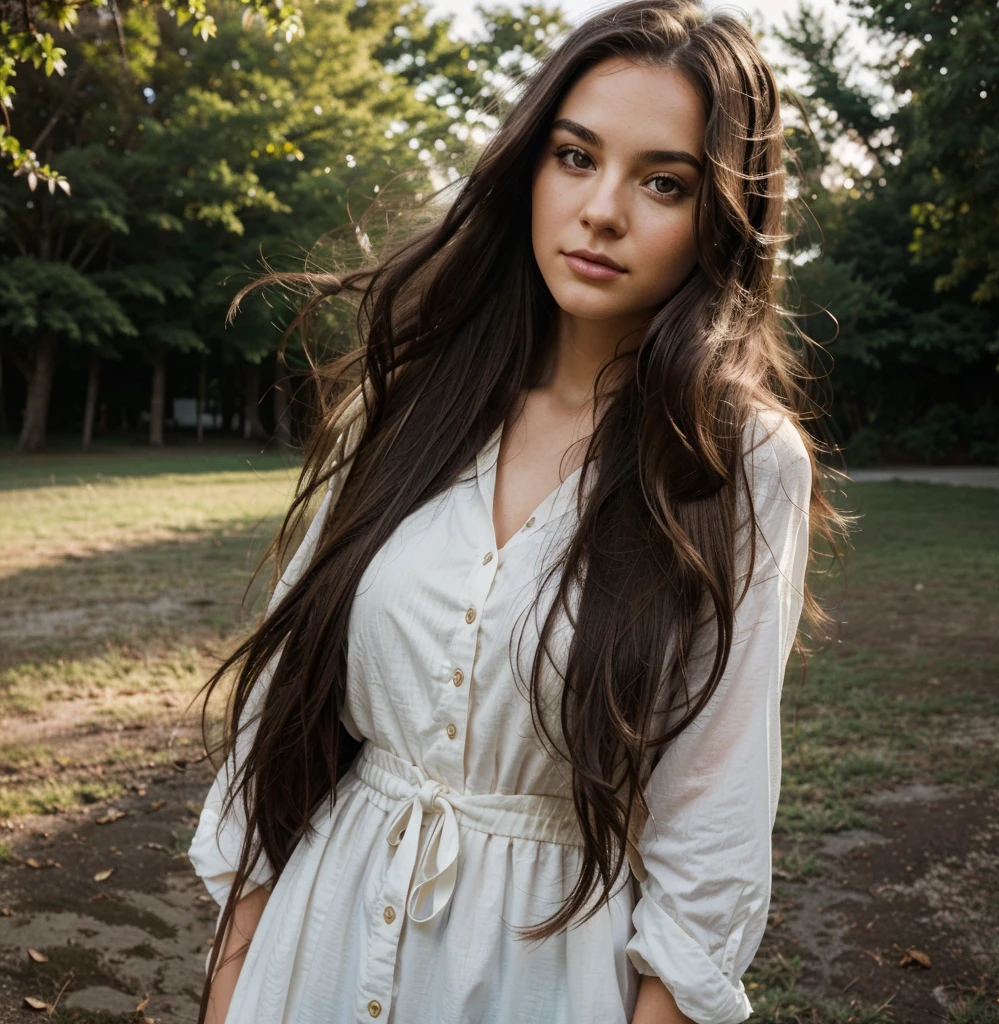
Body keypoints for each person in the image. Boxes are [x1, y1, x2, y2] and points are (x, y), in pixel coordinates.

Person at [188, 1, 849, 1022]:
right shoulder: (410, 400)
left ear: (719, 219)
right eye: (575, 157)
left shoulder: (738, 460)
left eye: (662, 181)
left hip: (539, 974)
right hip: (313, 946)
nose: (601, 210)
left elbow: (712, 819)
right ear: (527, 168)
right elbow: (289, 703)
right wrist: (235, 972)